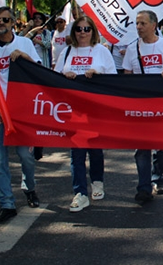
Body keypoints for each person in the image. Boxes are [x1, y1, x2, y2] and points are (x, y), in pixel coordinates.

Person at [0, 6, 42, 223]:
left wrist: (24, 56)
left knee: (26, 157)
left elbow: (38, 71)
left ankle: (29, 187)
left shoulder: (24, 43)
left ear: (13, 22)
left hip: (21, 112)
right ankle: (7, 203)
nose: (1, 23)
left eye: (5, 19)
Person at [54, 16, 116, 212]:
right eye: (79, 28)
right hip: (73, 110)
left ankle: (97, 181)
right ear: (73, 31)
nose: (82, 32)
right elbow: (54, 78)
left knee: (95, 149)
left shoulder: (102, 52)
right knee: (76, 153)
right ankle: (80, 193)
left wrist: (97, 73)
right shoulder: (66, 52)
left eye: (86, 29)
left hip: (95, 110)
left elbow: (113, 78)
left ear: (93, 32)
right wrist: (65, 76)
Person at [123, 10, 163, 204]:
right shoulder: (132, 49)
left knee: (162, 147)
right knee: (142, 147)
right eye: (137, 24)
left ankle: (157, 177)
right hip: (141, 106)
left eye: (142, 23)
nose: (138, 27)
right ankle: (144, 187)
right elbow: (127, 77)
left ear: (154, 25)